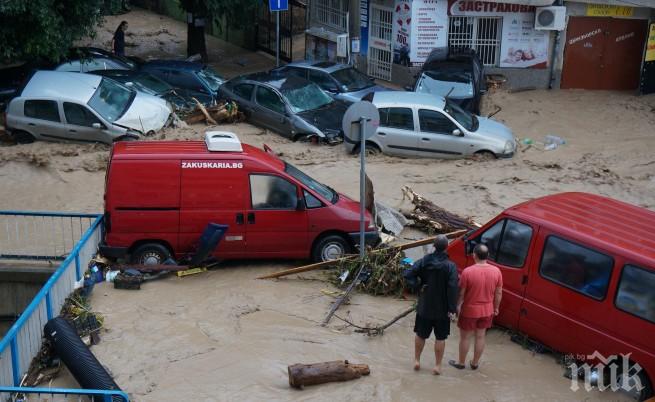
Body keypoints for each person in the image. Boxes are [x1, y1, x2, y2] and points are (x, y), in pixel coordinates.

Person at [403, 235, 458, 375]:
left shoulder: (424, 261)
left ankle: (416, 360)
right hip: (442, 309)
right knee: (440, 337)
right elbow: (452, 287)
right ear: (446, 247)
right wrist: (452, 308)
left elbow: (408, 274)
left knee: (420, 335)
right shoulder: (450, 266)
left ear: (434, 246)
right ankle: (437, 366)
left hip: (425, 306)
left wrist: (417, 285)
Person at [450, 244, 502, 371]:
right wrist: (496, 308)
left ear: (474, 255)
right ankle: (474, 363)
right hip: (487, 310)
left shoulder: (467, 272)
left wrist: (457, 307)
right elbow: (499, 292)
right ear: (488, 256)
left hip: (469, 310)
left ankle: (461, 363)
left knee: (465, 337)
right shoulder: (496, 271)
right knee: (480, 336)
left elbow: (461, 293)